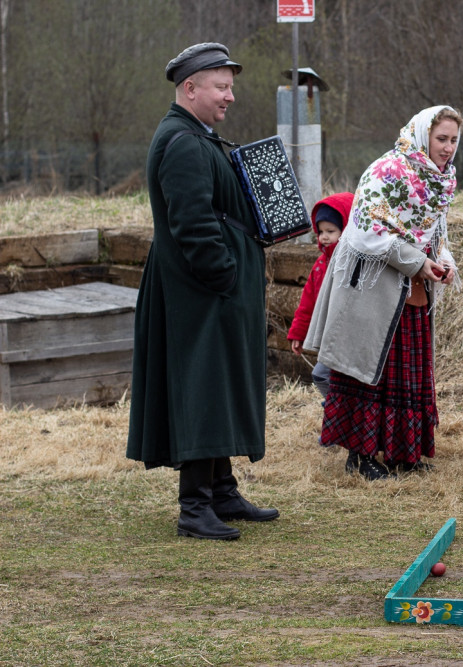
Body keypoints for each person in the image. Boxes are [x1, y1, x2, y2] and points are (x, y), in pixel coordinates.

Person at [127, 43, 279, 540]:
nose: (230, 96)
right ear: (190, 88)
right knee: (203, 387)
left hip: (210, 293)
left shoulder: (198, 136)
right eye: (221, 87)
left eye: (230, 87)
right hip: (199, 294)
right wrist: (226, 278)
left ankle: (222, 492)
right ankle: (194, 508)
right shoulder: (184, 143)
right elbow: (192, 224)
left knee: (219, 384)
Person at [304, 106, 462, 480]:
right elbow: (365, 233)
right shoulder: (387, 171)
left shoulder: (439, 179)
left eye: (454, 140)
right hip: (372, 289)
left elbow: (433, 231)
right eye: (441, 138)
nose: (448, 147)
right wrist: (417, 262)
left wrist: (444, 260)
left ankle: (403, 452)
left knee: (406, 375)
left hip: (413, 291)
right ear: (423, 135)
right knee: (368, 373)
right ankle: (360, 456)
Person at [287, 192, 355, 396]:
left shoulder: (354, 264)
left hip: (348, 337)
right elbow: (308, 302)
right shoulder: (320, 265)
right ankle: (335, 406)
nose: (324, 237)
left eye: (330, 231)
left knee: (326, 376)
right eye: (320, 231)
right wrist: (298, 333)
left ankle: (336, 406)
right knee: (323, 376)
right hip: (329, 337)